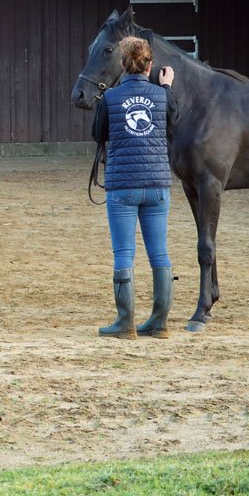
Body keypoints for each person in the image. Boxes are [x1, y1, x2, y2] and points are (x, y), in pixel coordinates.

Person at [90, 36, 177, 339]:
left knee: (124, 254)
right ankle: (159, 322)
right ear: (149, 66)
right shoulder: (163, 96)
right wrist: (166, 87)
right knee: (159, 254)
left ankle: (125, 322)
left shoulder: (110, 97)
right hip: (157, 184)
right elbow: (174, 120)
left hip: (123, 185)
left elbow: (97, 134)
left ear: (122, 64)